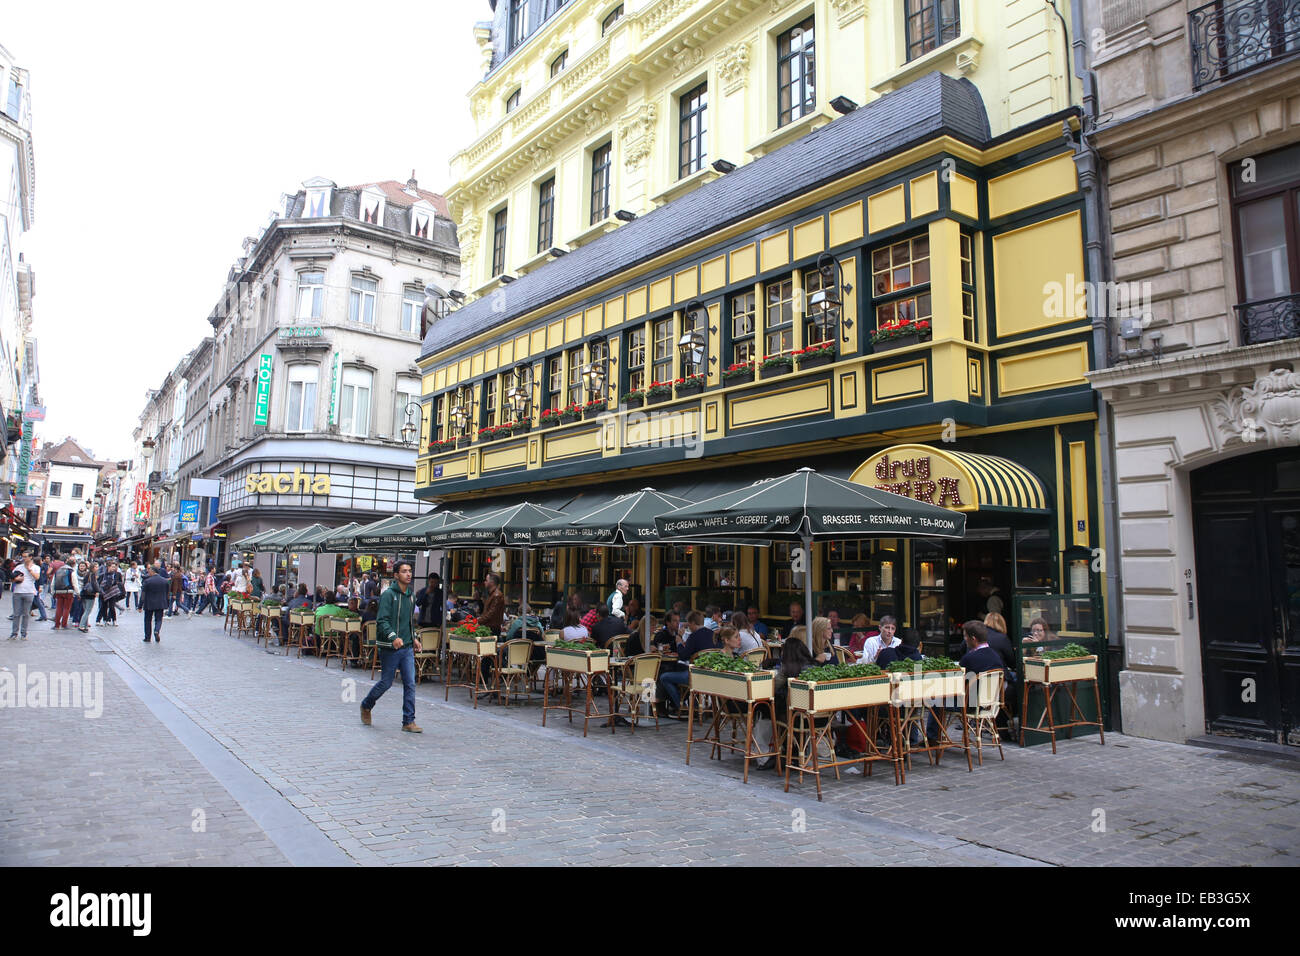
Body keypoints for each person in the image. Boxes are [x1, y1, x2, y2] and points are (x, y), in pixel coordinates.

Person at [360, 560, 422, 733]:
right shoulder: (388, 595)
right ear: (396, 575)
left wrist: (414, 637)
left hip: (407, 646)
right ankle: (366, 705)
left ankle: (408, 721)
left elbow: (410, 622)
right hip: (390, 646)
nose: (408, 574)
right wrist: (393, 637)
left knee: (410, 683)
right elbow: (382, 620)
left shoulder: (411, 595)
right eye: (404, 571)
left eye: (409, 571)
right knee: (386, 682)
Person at [8, 554, 39, 641]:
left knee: (26, 614)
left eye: (26, 557)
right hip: (17, 592)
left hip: (29, 592)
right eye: (23, 557)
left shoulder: (36, 567)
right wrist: (16, 579)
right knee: (16, 614)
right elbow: (11, 578)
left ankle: (23, 634)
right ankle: (14, 633)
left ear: (30, 557)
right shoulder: (18, 567)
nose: (24, 558)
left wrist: (29, 570)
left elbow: (37, 577)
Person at [141, 563, 169, 643]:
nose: (148, 573)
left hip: (149, 603)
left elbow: (143, 594)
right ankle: (156, 630)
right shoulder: (164, 581)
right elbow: (167, 593)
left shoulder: (147, 581)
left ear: (153, 571)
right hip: (160, 603)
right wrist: (167, 603)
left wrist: (140, 605)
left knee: (147, 620)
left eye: (149, 571)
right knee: (159, 619)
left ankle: (147, 637)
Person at [51, 554, 75, 630]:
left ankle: (57, 625)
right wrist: (77, 593)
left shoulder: (58, 570)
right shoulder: (71, 571)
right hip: (68, 591)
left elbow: (53, 582)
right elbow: (74, 583)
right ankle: (64, 624)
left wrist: (53, 592)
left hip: (58, 591)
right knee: (66, 608)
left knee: (59, 608)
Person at [97, 561, 124, 627]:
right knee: (103, 607)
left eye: (114, 567)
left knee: (112, 607)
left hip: (113, 592)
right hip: (104, 593)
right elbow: (98, 583)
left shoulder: (117, 574)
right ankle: (102, 620)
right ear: (108, 567)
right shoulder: (103, 575)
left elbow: (121, 583)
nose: (113, 568)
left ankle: (114, 620)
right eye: (112, 567)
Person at [76, 561, 99, 633]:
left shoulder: (87, 574)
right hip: (90, 594)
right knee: (87, 611)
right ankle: (81, 625)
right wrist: (98, 591)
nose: (97, 568)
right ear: (93, 567)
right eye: (96, 567)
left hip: (84, 593)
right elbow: (94, 584)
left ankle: (85, 625)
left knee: (85, 610)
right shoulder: (92, 575)